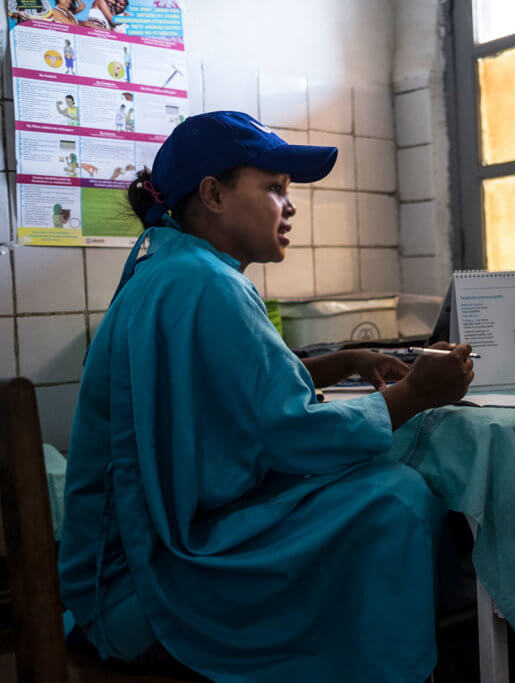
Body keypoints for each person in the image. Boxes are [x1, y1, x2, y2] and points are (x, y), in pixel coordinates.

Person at [58, 110, 475, 682]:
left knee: (373, 488)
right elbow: (292, 436)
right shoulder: (209, 284)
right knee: (394, 496)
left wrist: (344, 361)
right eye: (275, 188)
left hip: (109, 575)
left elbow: (234, 388)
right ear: (213, 194)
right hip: (144, 591)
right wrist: (416, 395)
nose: (291, 204)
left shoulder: (172, 265)